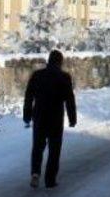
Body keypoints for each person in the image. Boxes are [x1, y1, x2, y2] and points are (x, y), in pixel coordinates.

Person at [23, 49, 77, 189]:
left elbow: (29, 96)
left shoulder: (37, 75)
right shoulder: (64, 77)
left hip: (39, 116)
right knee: (54, 149)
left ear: (49, 60)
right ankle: (50, 179)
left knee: (38, 147)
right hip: (55, 118)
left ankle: (35, 173)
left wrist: (27, 115)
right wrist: (72, 118)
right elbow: (69, 99)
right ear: (60, 62)